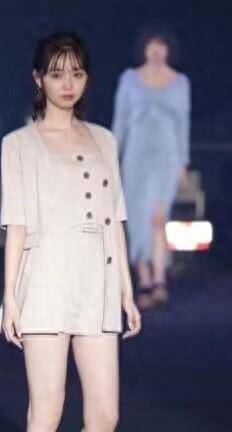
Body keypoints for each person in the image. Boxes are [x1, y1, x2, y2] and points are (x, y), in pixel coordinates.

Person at [0, 32, 141, 432]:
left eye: (77, 74)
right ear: (38, 79)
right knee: (47, 412)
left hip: (98, 284)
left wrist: (126, 291)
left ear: (87, 79)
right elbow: (17, 224)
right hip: (46, 283)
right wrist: (10, 297)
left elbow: (115, 219)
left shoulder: (105, 140)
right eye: (57, 74)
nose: (67, 84)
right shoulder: (18, 144)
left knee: (105, 416)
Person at [111, 26, 190, 309]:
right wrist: (112, 156)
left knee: (158, 217)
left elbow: (183, 123)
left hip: (167, 156)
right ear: (144, 49)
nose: (156, 50)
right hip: (136, 155)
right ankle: (144, 280)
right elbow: (120, 121)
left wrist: (183, 161)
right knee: (137, 219)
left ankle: (159, 279)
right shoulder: (129, 80)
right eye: (151, 45)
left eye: (161, 45)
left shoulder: (180, 82)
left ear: (168, 50)